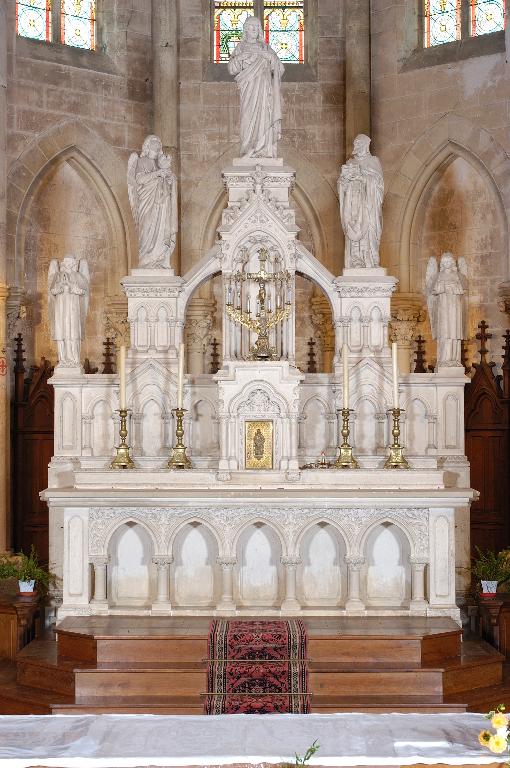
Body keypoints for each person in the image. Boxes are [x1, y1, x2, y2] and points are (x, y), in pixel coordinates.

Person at [228, 17, 284, 159]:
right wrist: (240, 58)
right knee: (247, 118)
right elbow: (231, 68)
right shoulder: (240, 47)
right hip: (248, 88)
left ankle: (264, 150)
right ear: (245, 29)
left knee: (265, 116)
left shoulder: (265, 47)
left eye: (256, 27)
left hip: (264, 89)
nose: (254, 29)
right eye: (251, 27)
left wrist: (270, 58)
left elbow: (279, 68)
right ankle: (248, 149)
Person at [127, 135, 178, 269]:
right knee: (147, 227)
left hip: (162, 204)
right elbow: (139, 180)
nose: (158, 144)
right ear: (147, 145)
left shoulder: (161, 163)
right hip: (147, 202)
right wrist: (158, 173)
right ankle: (146, 261)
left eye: (159, 142)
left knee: (162, 229)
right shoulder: (142, 161)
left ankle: (160, 260)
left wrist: (169, 178)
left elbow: (168, 183)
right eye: (154, 142)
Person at [338, 134, 384, 269]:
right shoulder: (350, 163)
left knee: (370, 230)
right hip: (353, 204)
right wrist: (344, 181)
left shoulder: (373, 161)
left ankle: (371, 259)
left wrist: (362, 177)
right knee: (353, 229)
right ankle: (356, 260)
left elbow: (379, 184)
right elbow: (341, 185)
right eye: (355, 143)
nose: (356, 146)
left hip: (368, 204)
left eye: (359, 143)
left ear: (366, 145)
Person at [426, 252, 468, 367]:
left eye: (449, 261)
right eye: (445, 261)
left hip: (455, 308)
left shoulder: (457, 275)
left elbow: (462, 290)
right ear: (443, 263)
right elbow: (434, 291)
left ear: (452, 262)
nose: (447, 263)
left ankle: (455, 359)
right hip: (443, 308)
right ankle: (444, 359)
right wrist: (444, 287)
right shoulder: (439, 276)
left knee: (454, 333)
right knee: (444, 332)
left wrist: (453, 287)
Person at [48, 256, 89, 367]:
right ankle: (62, 360)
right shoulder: (58, 276)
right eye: (66, 262)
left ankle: (75, 360)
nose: (68, 264)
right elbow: (52, 291)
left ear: (73, 263)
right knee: (61, 334)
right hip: (61, 308)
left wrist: (71, 286)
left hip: (73, 308)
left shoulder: (77, 275)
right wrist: (60, 287)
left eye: (70, 262)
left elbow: (83, 291)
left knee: (73, 333)